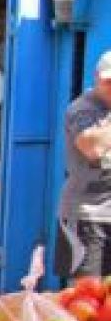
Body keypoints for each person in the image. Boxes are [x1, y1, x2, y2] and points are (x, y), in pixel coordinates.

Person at [59, 49, 111, 278]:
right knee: (86, 292)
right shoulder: (81, 109)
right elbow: (93, 148)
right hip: (87, 216)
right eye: (109, 82)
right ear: (96, 78)